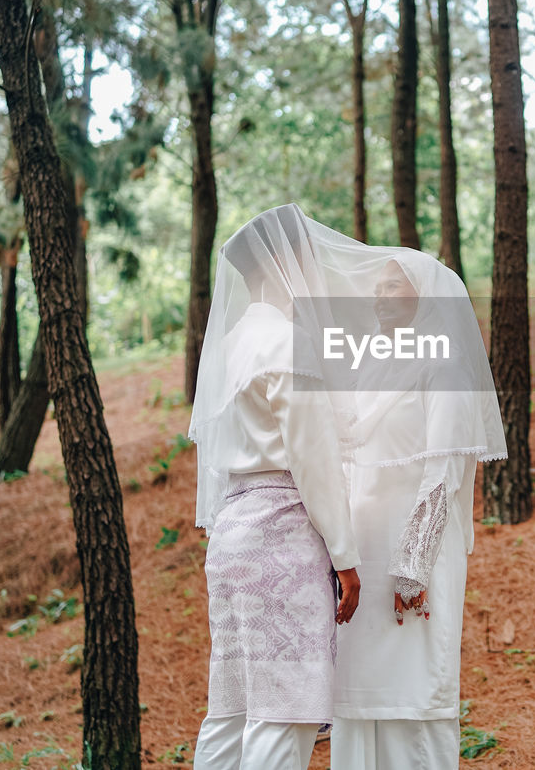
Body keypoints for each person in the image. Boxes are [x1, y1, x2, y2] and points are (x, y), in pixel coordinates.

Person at [188, 205, 363, 770]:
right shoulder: (286, 341)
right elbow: (313, 459)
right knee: (284, 713)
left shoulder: (231, 344)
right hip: (281, 539)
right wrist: (345, 556)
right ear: (287, 264)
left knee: (231, 708)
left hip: (231, 535)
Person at [330, 251, 508, 769]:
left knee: (414, 690)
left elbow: (444, 470)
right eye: (378, 287)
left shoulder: (447, 363)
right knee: (359, 694)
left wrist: (413, 564)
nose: (380, 296)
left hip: (414, 553)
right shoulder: (367, 363)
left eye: (394, 287)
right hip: (362, 548)